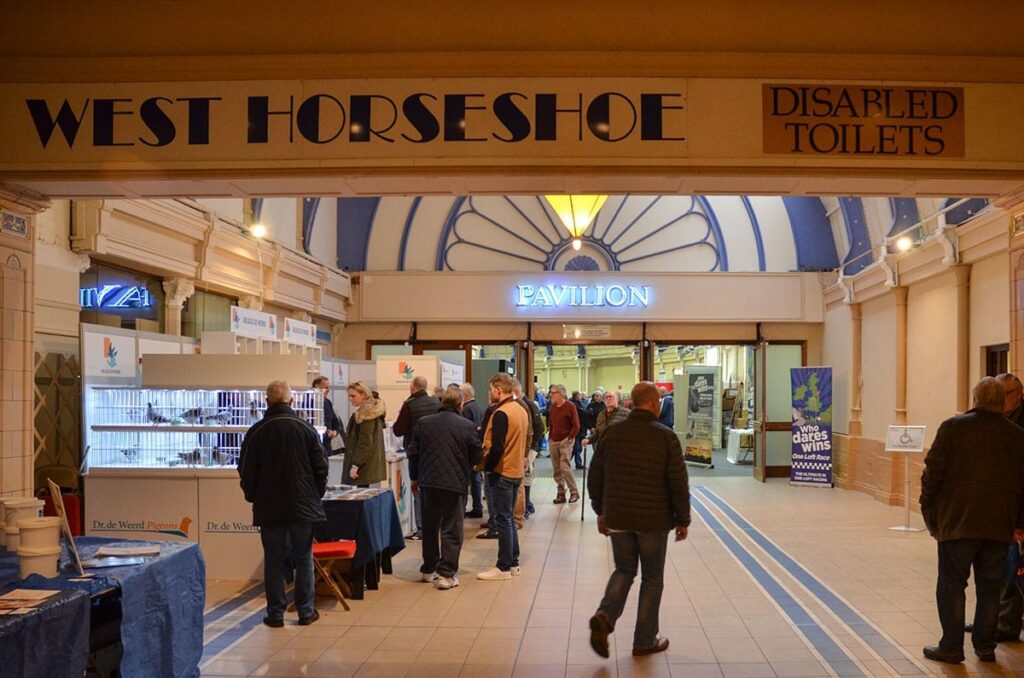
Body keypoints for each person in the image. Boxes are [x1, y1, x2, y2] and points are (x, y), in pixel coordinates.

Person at [919, 377, 1024, 665]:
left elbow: (933, 472)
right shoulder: (1016, 436)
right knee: (991, 587)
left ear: (975, 399)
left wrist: (928, 508)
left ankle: (952, 646)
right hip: (998, 524)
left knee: (952, 584)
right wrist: (1019, 523)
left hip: (957, 521)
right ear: (1003, 401)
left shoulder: (953, 428)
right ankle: (985, 647)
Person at [587, 381, 690, 658]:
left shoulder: (612, 433)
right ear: (655, 402)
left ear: (632, 402)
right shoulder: (665, 436)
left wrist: (600, 510)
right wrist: (683, 519)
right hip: (654, 521)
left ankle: (605, 616)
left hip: (618, 516)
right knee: (652, 578)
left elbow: (595, 474)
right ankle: (644, 640)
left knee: (624, 570)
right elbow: (678, 481)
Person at [238, 380, 328, 628]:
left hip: (270, 507)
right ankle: (306, 612)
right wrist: (314, 494)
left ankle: (275, 614)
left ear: (267, 401)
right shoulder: (306, 429)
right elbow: (321, 467)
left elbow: (245, 470)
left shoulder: (256, 431)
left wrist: (253, 496)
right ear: (291, 400)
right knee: (304, 558)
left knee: (274, 560)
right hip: (303, 506)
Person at [965, 373, 1024, 642]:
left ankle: (1004, 624)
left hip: (1012, 512)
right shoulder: (986, 421)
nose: (999, 399)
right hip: (991, 510)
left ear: (1017, 394)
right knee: (996, 574)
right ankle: (989, 623)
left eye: (1004, 394)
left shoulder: (1017, 427)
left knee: (1011, 572)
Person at [408, 386, 482, 590]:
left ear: (442, 402)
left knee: (430, 527)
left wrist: (414, 478)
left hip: (428, 482)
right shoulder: (467, 426)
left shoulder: (424, 423)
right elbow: (476, 457)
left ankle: (428, 568)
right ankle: (446, 574)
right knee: (451, 528)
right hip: (455, 484)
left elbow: (413, 452)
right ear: (460, 404)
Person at [477, 372, 529, 581]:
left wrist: (486, 466)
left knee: (503, 520)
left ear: (499, 390)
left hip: (502, 471)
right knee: (509, 519)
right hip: (516, 470)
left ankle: (503, 566)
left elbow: (497, 447)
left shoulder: (501, 413)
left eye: (490, 389)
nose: (489, 393)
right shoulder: (520, 409)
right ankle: (513, 562)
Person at [392, 376, 441, 540]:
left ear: (413, 388)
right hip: (435, 452)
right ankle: (434, 526)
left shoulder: (409, 405)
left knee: (418, 489)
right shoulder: (436, 403)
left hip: (415, 452)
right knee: (433, 491)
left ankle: (421, 529)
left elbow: (398, 430)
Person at [342, 381, 387, 487]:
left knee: (360, 497)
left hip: (362, 467)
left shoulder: (366, 415)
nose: (350, 399)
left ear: (363, 395)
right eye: (349, 396)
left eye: (353, 396)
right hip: (366, 465)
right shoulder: (372, 412)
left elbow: (365, 442)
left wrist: (356, 465)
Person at [513, 381, 544, 519]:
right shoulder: (526, 404)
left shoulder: (526, 405)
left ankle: (525, 508)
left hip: (529, 448)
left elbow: (538, 428)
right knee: (526, 477)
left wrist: (531, 447)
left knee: (525, 478)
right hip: (529, 447)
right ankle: (528, 505)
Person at [548, 385, 581, 504]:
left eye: (553, 393)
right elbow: (551, 423)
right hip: (554, 440)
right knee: (557, 469)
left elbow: (576, 425)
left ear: (561, 394)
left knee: (565, 466)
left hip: (565, 440)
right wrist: (550, 437)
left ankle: (574, 492)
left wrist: (570, 437)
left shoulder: (570, 406)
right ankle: (561, 492)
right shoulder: (553, 407)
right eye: (550, 393)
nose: (551, 395)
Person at [461, 382, 486, 519]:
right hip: (477, 446)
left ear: (465, 395)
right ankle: (477, 506)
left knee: (469, 479)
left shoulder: (466, 409)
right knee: (476, 479)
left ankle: (470, 507)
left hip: (469, 449)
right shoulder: (477, 407)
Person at [312, 375, 343, 457]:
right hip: (313, 446)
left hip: (327, 447)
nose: (328, 390)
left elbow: (336, 422)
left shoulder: (328, 403)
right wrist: (326, 433)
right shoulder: (309, 403)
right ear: (317, 387)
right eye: (326, 387)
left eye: (328, 387)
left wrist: (335, 432)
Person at [571, 390, 591, 469]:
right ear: (577, 396)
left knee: (576, 448)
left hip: (580, 428)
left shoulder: (577, 403)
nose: (581, 397)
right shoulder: (575, 405)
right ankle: (577, 463)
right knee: (577, 448)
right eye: (580, 395)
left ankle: (566, 463)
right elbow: (583, 413)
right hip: (578, 428)